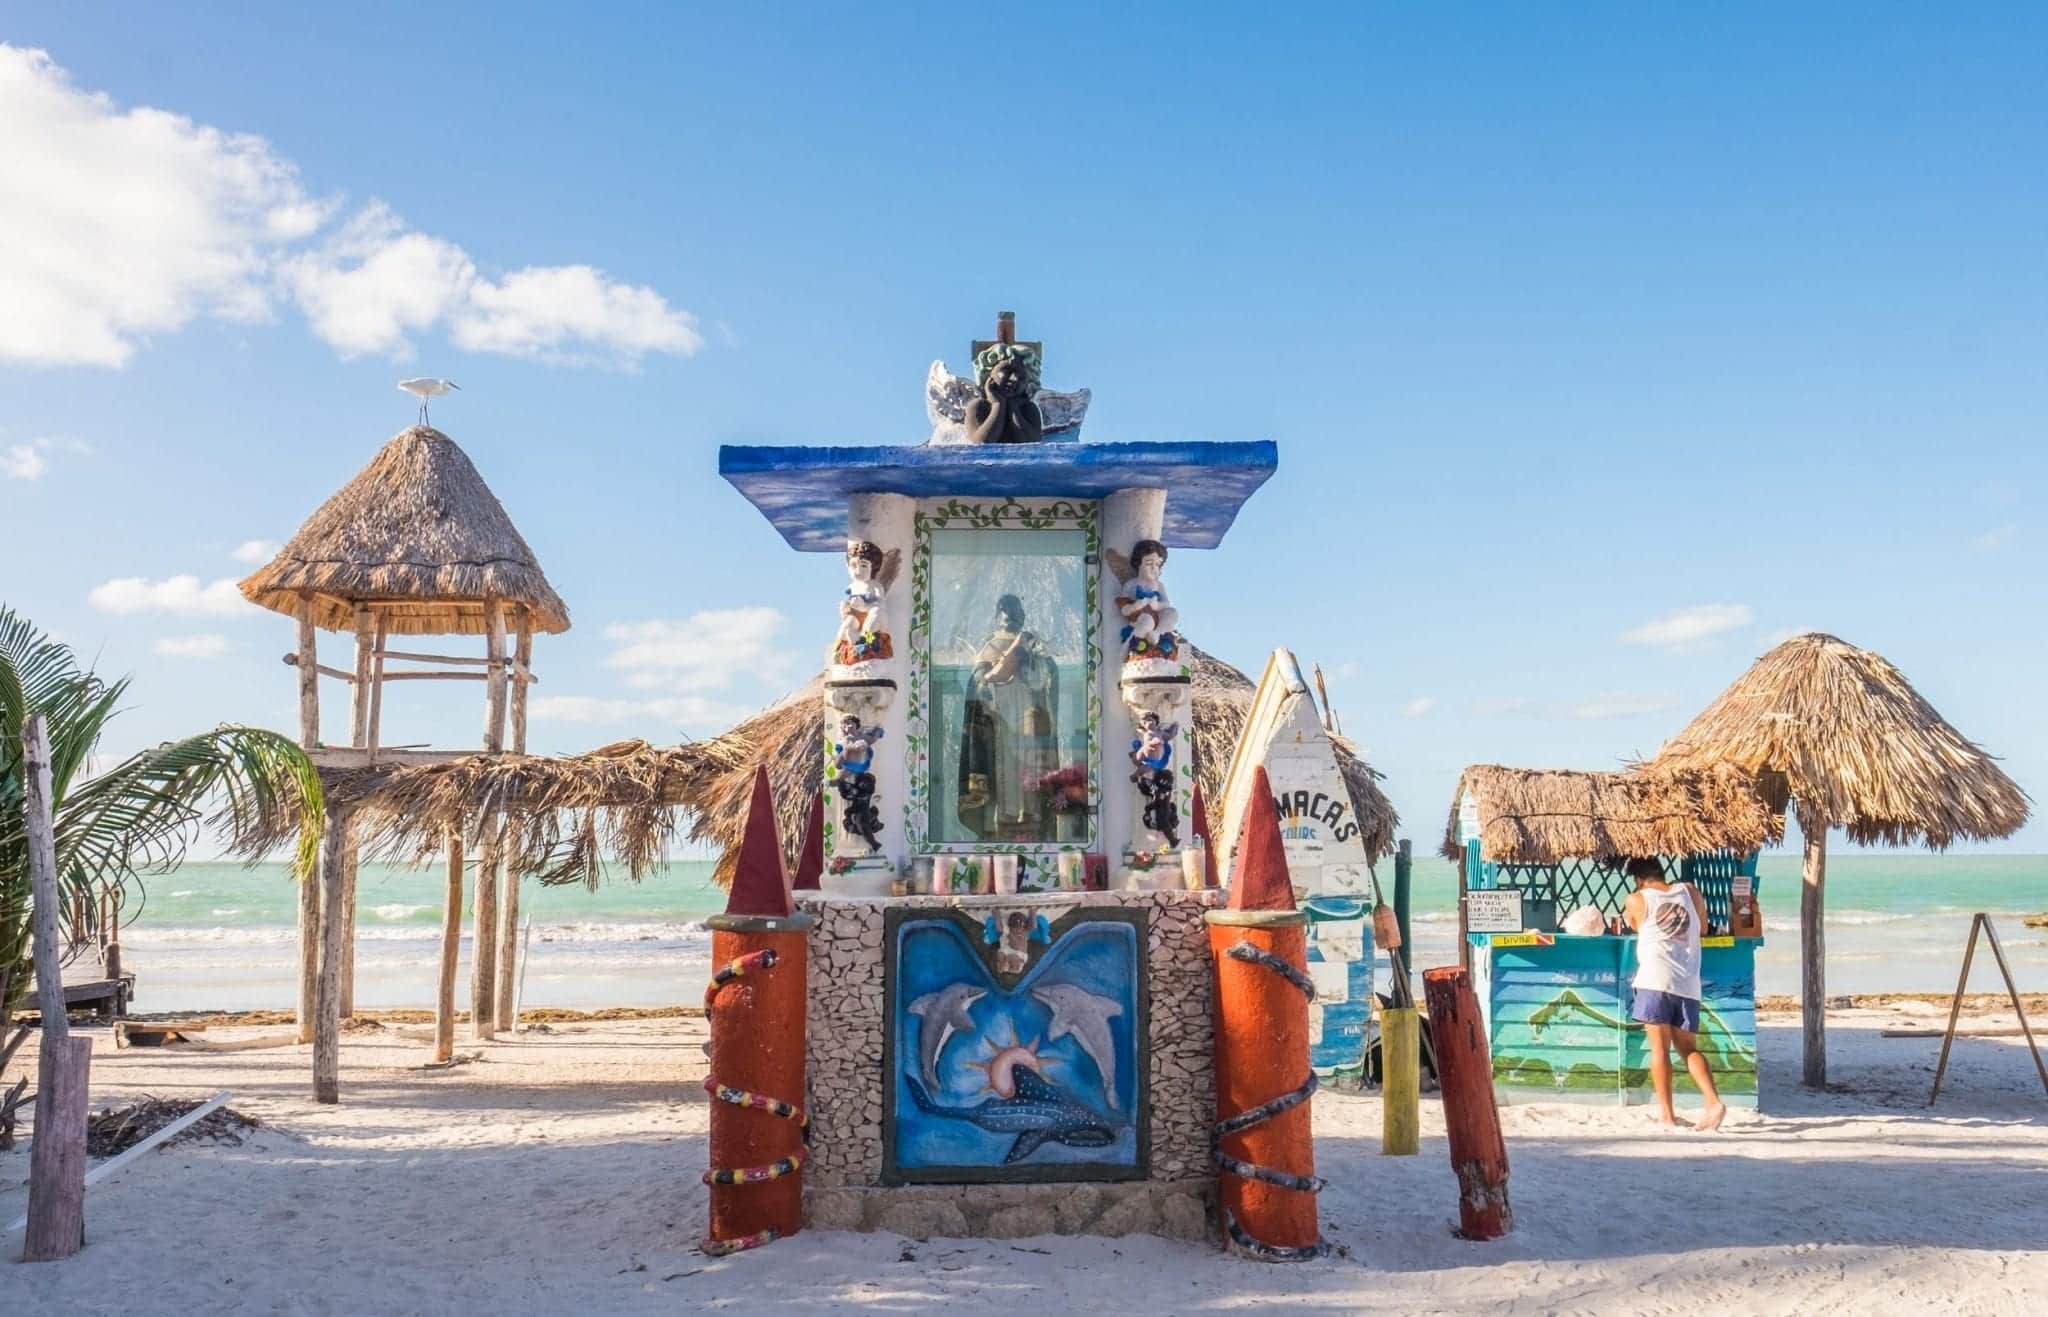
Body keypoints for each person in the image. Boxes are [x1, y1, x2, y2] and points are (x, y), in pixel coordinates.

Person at [1623, 856, 1727, 1131]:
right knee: (1689, 1049)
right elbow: (1703, 928)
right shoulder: (1690, 891)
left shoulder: (1636, 899)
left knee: (1659, 1050)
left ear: (1639, 879)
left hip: (1654, 980)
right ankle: (1713, 1102)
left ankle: (1667, 1114)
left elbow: (1635, 925)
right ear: (1661, 871)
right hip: (1688, 982)